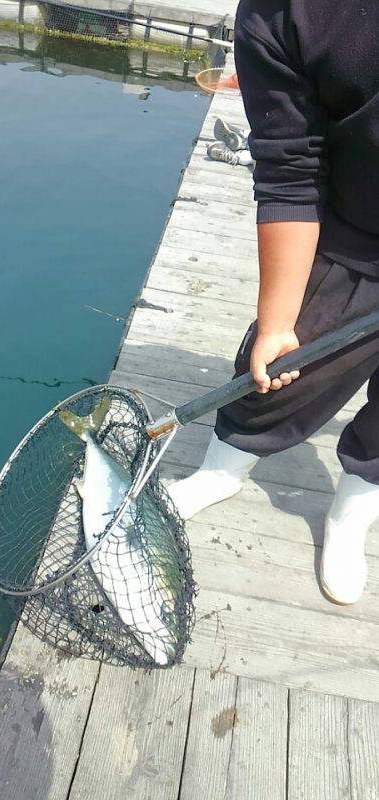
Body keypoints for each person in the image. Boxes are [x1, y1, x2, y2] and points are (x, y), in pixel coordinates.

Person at [168, 0, 379, 605]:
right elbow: (290, 171)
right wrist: (277, 322)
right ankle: (220, 471)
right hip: (349, 232)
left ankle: (353, 509)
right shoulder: (281, 14)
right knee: (283, 372)